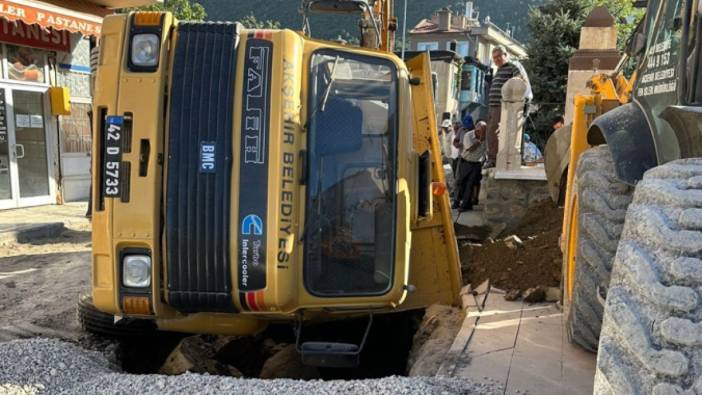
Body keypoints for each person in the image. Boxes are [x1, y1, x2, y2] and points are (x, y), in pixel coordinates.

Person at [485, 46, 529, 167]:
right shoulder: (498, 70)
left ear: (505, 55)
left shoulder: (511, 67)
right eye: (494, 57)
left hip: (501, 106)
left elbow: (519, 78)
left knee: (493, 132)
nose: (497, 59)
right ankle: (492, 158)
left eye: (499, 56)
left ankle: (493, 159)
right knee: (490, 132)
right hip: (493, 106)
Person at [454, 121, 486, 212]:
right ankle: (457, 202)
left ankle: (465, 205)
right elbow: (469, 148)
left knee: (470, 184)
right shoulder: (468, 135)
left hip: (476, 164)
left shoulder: (485, 138)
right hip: (465, 162)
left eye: (484, 131)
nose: (482, 133)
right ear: (476, 129)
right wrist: (479, 141)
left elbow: (485, 151)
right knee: (460, 183)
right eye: (480, 131)